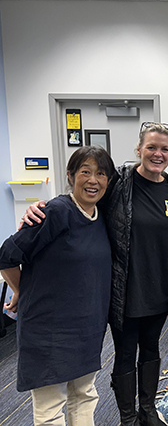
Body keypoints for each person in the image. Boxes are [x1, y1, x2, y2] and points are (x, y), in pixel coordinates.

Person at [21, 122, 168, 426]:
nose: (157, 154)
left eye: (164, 148)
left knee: (151, 350)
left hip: (160, 289)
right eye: (151, 147)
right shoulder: (119, 183)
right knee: (125, 353)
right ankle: (127, 417)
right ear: (139, 150)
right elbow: (86, 193)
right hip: (124, 289)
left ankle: (147, 410)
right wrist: (43, 207)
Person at [0, 146, 115, 425]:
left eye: (100, 173)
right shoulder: (55, 211)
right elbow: (7, 255)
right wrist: (20, 291)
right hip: (49, 329)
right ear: (70, 175)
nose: (92, 180)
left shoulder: (101, 216)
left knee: (85, 394)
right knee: (51, 406)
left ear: (108, 181)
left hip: (87, 326)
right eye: (85, 172)